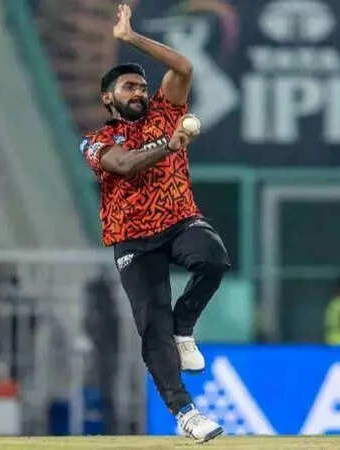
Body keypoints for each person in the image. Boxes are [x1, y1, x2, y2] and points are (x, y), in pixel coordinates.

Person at [80, 4, 230, 442]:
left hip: (179, 220)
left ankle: (185, 328)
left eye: (142, 87)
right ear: (108, 98)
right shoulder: (95, 141)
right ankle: (186, 413)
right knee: (152, 326)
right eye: (129, 87)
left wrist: (131, 38)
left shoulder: (165, 111)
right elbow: (124, 165)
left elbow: (184, 67)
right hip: (132, 239)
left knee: (213, 258)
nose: (139, 93)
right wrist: (170, 145)